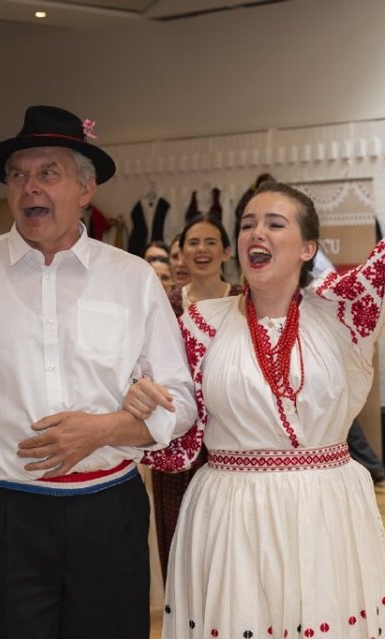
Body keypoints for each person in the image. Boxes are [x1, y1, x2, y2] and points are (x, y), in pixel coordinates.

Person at [126, 85, 385, 638]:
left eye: (275, 223)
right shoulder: (200, 324)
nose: (257, 232)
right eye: (248, 223)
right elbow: (178, 426)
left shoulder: (345, 309)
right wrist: (143, 402)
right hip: (230, 511)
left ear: (308, 248)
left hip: (324, 508)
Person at [0, 105, 197, 639]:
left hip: (109, 507)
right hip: (6, 510)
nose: (30, 188)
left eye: (48, 173)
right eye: (17, 175)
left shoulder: (132, 278)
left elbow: (181, 402)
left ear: (86, 188)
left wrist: (105, 430)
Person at [153, 213, 242, 582]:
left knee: (231, 543)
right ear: (181, 254)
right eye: (193, 243)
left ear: (226, 252)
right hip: (178, 436)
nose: (201, 250)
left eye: (210, 242)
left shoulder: (245, 301)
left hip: (235, 436)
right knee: (180, 541)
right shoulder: (166, 304)